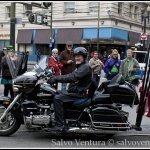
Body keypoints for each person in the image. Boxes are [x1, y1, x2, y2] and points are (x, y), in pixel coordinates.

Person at [47, 47, 95, 131]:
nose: (76, 58)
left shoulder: (85, 67)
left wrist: (56, 78)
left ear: (84, 56)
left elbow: (72, 77)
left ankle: (60, 125)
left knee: (57, 98)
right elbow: (72, 75)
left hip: (80, 94)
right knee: (56, 93)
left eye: (79, 56)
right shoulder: (81, 66)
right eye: (75, 56)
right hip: (78, 92)